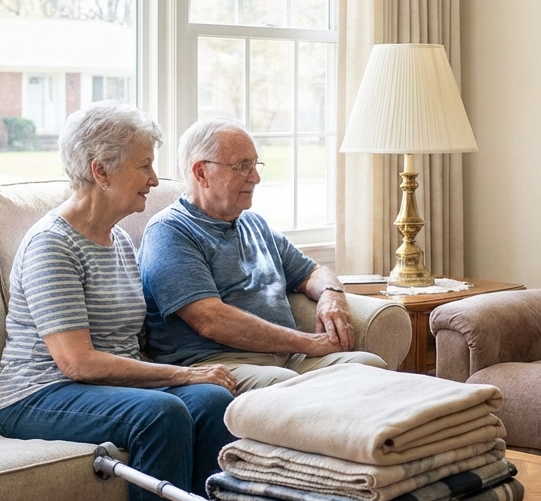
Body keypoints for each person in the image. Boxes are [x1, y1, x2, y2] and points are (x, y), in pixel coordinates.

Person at [0, 103, 237, 501]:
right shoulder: (52, 245)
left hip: (103, 387)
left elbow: (131, 344)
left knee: (212, 399)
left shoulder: (120, 241)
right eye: (143, 166)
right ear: (100, 171)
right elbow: (78, 362)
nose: (155, 180)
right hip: (39, 394)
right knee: (162, 413)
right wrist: (183, 374)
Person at [138, 119, 386, 392]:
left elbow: (312, 272)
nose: (255, 177)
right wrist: (308, 343)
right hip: (218, 365)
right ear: (201, 172)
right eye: (242, 166)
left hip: (286, 361)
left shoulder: (255, 224)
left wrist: (331, 295)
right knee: (290, 389)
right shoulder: (170, 230)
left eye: (255, 165)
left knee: (369, 365)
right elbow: (210, 321)